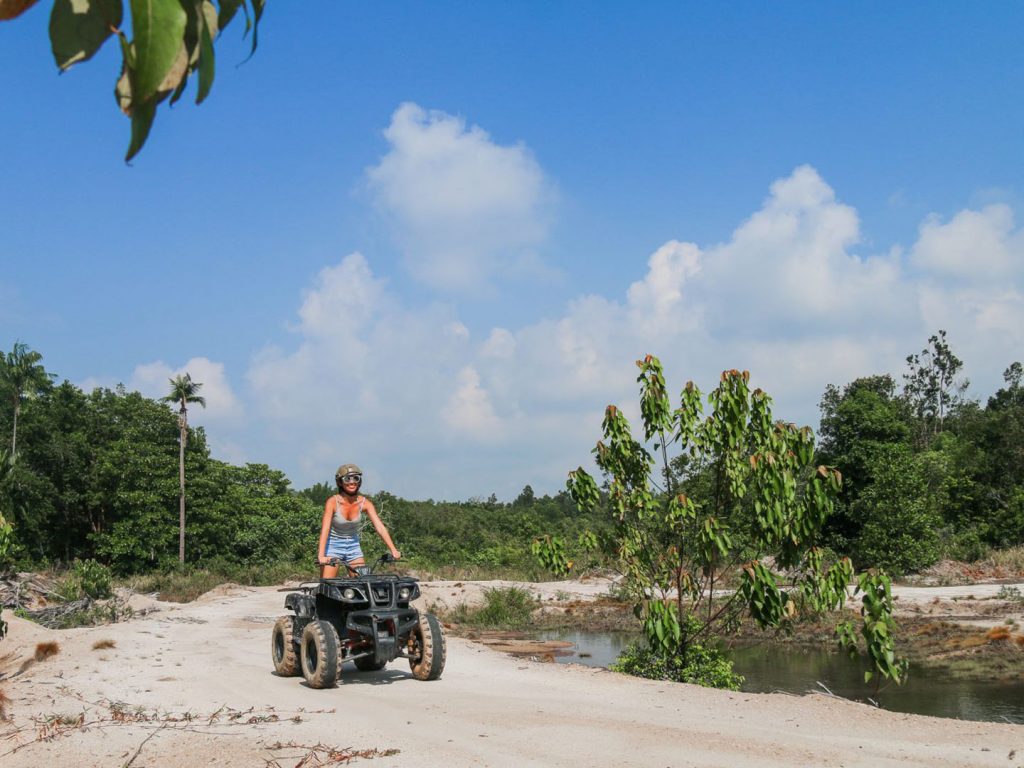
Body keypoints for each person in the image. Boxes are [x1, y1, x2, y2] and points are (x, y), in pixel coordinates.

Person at [317, 463, 401, 577]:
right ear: (340, 482)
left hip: (353, 547)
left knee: (362, 582)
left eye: (355, 478)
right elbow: (325, 529)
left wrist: (393, 549)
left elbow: (379, 527)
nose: (352, 482)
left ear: (359, 481)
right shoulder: (332, 502)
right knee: (327, 585)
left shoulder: (365, 503)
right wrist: (321, 555)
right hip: (333, 546)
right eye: (347, 479)